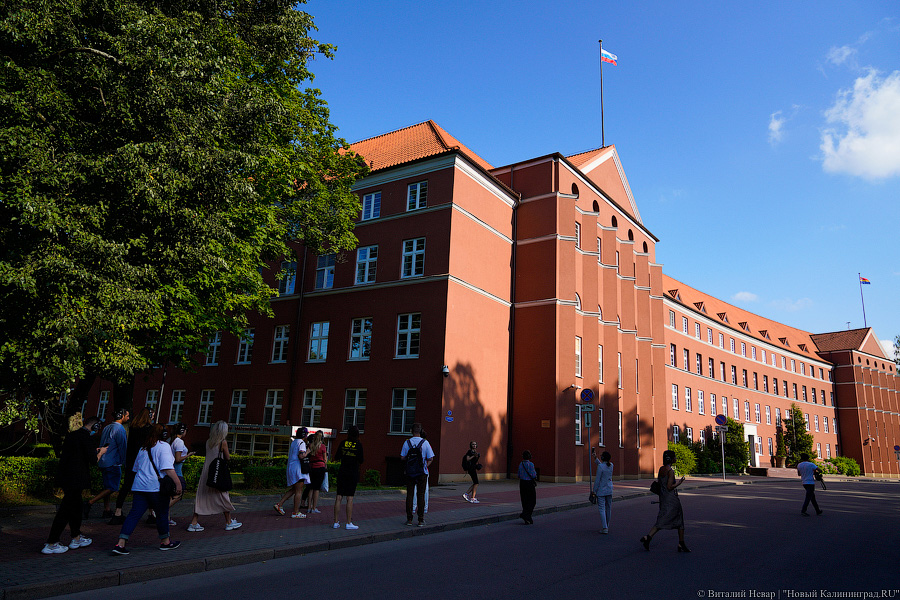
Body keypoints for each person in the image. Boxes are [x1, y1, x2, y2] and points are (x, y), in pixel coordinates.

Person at [111, 424, 182, 554]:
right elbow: (167, 468)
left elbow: (135, 468)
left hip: (139, 486)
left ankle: (120, 543)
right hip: (155, 488)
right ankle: (165, 542)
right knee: (161, 514)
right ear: (164, 435)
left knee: (134, 515)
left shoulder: (143, 448)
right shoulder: (164, 446)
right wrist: (178, 484)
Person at [42, 416, 108, 554]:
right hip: (76, 479)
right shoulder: (87, 438)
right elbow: (93, 460)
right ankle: (52, 542)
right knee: (65, 510)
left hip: (67, 477)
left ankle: (76, 537)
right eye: (97, 428)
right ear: (95, 426)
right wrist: (101, 452)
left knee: (76, 508)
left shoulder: (72, 435)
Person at [188, 421, 241, 532]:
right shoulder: (223, 442)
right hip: (218, 473)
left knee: (202, 497)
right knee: (223, 496)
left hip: (207, 472)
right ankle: (229, 522)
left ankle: (194, 522)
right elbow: (227, 457)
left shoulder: (209, 442)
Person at [110, 407, 154, 525]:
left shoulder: (133, 427)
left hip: (131, 460)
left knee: (126, 486)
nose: (153, 417)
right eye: (152, 415)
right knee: (149, 485)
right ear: (149, 416)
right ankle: (151, 513)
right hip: (144, 461)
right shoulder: (149, 429)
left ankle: (118, 511)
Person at [640, 449, 689, 552]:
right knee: (679, 520)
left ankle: (648, 537)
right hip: (671, 499)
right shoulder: (670, 471)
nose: (675, 458)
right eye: (674, 457)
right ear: (671, 459)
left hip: (663, 498)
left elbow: (661, 485)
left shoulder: (661, 469)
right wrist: (680, 482)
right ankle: (681, 543)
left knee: (662, 518)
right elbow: (670, 486)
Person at [85, 408, 129, 519]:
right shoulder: (120, 429)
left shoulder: (107, 427)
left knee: (107, 487)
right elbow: (122, 447)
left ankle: (107, 509)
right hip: (113, 462)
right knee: (113, 487)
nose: (128, 418)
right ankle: (90, 502)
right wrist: (125, 462)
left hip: (103, 460)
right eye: (127, 416)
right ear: (122, 416)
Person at [400, 423, 434, 527]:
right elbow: (431, 458)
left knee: (409, 495)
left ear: (412, 431)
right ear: (421, 431)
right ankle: (420, 520)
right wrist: (424, 465)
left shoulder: (407, 442)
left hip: (410, 472)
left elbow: (402, 457)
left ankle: (409, 519)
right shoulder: (425, 443)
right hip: (422, 472)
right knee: (421, 495)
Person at [332, 425, 364, 530]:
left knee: (338, 496)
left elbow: (336, 457)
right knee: (349, 498)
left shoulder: (342, 443)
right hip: (353, 472)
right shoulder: (359, 445)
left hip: (342, 471)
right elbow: (361, 460)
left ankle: (336, 522)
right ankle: (348, 522)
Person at [274, 427, 309, 519]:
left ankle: (279, 504)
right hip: (298, 469)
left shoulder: (294, 442)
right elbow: (301, 456)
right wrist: (308, 451)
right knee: (299, 491)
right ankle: (296, 512)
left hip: (291, 467)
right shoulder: (301, 443)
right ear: (305, 435)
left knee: (294, 489)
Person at [168, 423, 193, 524]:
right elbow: (177, 459)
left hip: (170, 470)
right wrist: (188, 455)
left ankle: (167, 518)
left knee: (171, 495)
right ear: (183, 431)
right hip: (177, 471)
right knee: (179, 492)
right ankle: (161, 509)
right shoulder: (179, 442)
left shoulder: (170, 440)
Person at [591, 449, 613, 534]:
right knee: (608, 508)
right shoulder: (611, 465)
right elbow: (602, 466)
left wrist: (594, 491)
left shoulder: (601, 467)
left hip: (601, 490)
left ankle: (604, 527)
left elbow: (597, 480)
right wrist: (595, 457)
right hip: (609, 489)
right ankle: (607, 525)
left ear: (603, 458)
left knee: (601, 509)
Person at [306, 431, 327, 514]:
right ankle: (314, 508)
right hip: (320, 467)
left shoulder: (310, 445)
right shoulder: (322, 446)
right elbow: (325, 459)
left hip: (311, 467)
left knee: (310, 488)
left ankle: (308, 507)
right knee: (316, 489)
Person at [518, 450, 537, 524]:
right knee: (532, 500)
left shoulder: (521, 464)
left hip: (522, 483)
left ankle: (526, 515)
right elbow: (533, 475)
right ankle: (526, 515)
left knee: (524, 499)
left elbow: (519, 475)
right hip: (529, 483)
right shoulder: (531, 464)